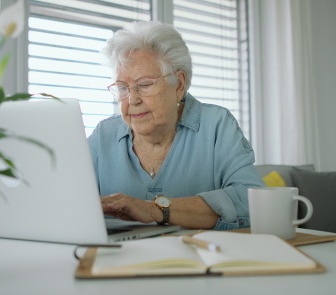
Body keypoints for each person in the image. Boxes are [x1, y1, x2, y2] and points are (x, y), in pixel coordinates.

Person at [87, 21, 265, 230]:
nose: (132, 99)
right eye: (123, 88)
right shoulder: (103, 136)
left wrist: (156, 210)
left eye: (144, 85)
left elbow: (252, 201)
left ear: (178, 85)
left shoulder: (216, 125)